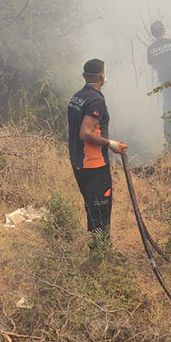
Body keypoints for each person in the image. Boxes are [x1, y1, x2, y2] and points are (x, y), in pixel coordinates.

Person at [67, 59, 127, 246]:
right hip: (94, 165)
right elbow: (85, 132)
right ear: (102, 76)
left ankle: (98, 251)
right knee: (100, 212)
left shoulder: (78, 97)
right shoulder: (96, 100)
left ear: (85, 76)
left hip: (79, 162)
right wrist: (111, 144)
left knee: (92, 210)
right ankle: (100, 255)